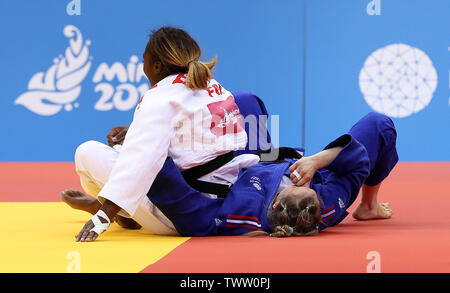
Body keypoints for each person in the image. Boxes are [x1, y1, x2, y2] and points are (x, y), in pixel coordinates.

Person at [69, 26, 268, 241]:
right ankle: (125, 210)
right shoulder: (211, 85)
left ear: (157, 66)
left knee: (86, 152)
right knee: (125, 149)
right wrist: (135, 129)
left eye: (143, 61)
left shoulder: (158, 97)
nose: (142, 66)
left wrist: (103, 216)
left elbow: (141, 160)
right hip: (231, 198)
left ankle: (111, 208)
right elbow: (200, 138)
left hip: (183, 212)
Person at [132, 112, 398, 238]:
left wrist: (152, 146)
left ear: (277, 201)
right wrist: (316, 162)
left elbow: (193, 215)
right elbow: (356, 165)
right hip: (273, 156)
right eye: (312, 190)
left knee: (243, 101)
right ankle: (369, 206)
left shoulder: (242, 215)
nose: (304, 182)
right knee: (380, 124)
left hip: (242, 161)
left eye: (299, 184)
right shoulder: (328, 203)